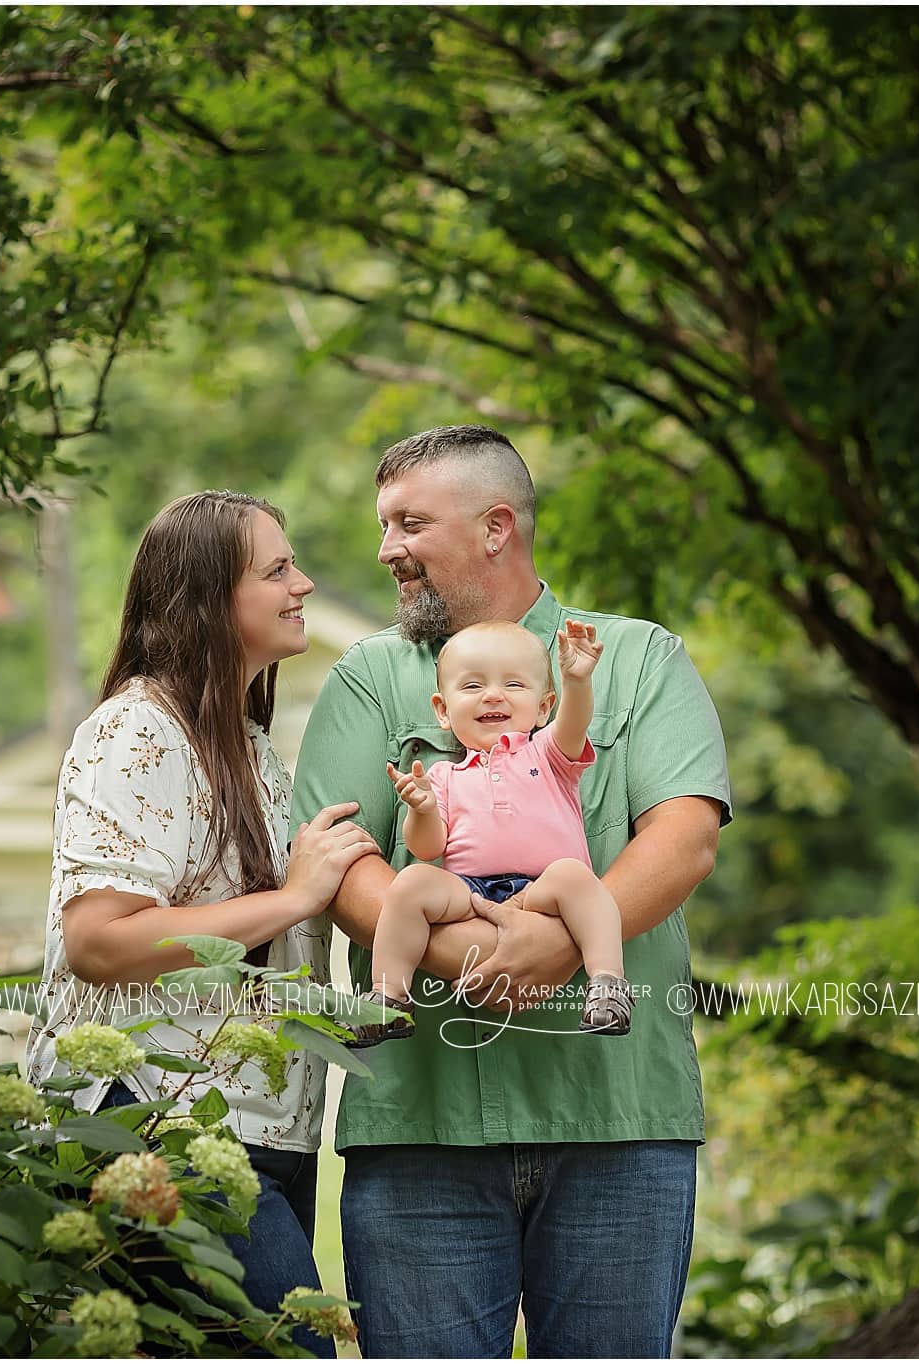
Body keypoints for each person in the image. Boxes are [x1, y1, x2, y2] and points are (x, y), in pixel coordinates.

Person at [290, 425, 731, 1358]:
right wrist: (481, 958)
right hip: (421, 1131)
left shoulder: (637, 658)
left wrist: (560, 945)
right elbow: (339, 860)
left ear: (497, 528)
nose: (386, 552)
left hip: (617, 1118)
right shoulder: (372, 678)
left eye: (410, 524)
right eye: (383, 528)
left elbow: (685, 839)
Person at [24, 490, 377, 1356]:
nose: (305, 584)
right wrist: (294, 897)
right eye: (277, 570)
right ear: (208, 598)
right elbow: (101, 940)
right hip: (155, 1121)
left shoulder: (247, 744)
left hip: (257, 1137)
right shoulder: (137, 734)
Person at [349, 618, 631, 1044]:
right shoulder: (443, 775)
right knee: (409, 883)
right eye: (473, 686)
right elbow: (427, 849)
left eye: (514, 685)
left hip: (543, 891)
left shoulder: (550, 753)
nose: (493, 695)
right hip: (471, 894)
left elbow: (573, 723)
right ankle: (388, 998)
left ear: (543, 707)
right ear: (443, 710)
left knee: (577, 878)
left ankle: (608, 984)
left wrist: (577, 681)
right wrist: (423, 808)